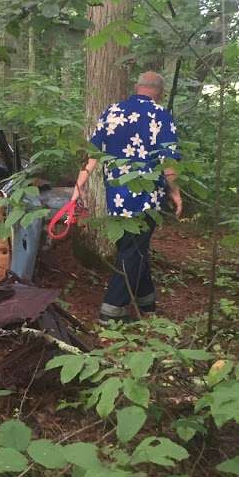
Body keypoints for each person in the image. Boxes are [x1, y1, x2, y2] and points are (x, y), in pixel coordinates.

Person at [70, 71, 182, 322]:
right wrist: (175, 193)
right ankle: (111, 311)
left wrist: (79, 185)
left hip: (117, 196)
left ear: (137, 87)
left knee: (132, 249)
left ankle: (147, 302)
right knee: (133, 251)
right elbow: (169, 162)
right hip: (147, 198)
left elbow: (93, 153)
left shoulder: (112, 112)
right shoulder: (162, 115)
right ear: (160, 92)